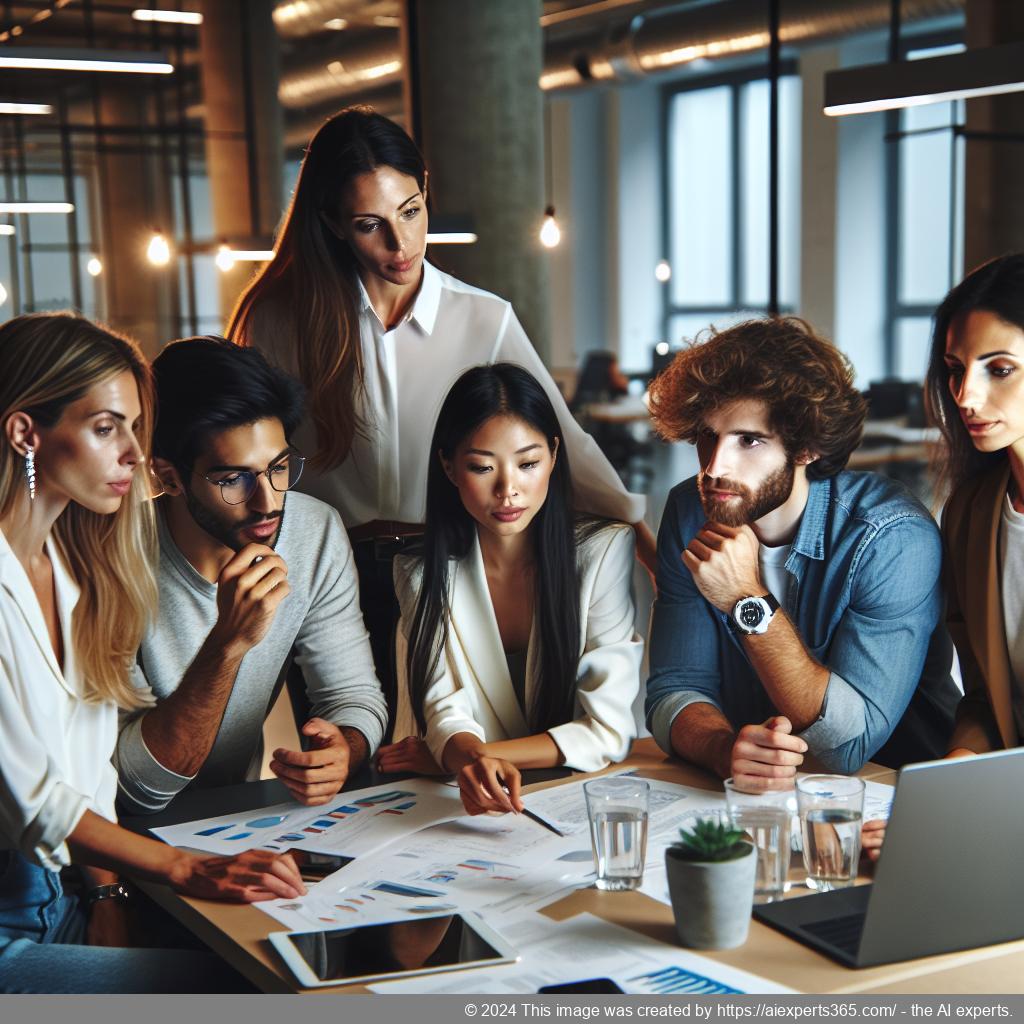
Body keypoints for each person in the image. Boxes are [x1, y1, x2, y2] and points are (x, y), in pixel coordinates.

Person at [227, 106, 654, 726]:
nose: (400, 245)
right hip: (324, 573)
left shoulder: (483, 318)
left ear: (425, 191)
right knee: (342, 758)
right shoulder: (279, 321)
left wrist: (637, 529)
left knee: (439, 750)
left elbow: (561, 438)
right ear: (332, 223)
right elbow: (239, 452)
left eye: (410, 212)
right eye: (370, 224)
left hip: (444, 568)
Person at [0, 313, 305, 993]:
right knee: (244, 992)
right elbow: (40, 805)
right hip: (9, 919)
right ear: (26, 432)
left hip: (68, 896)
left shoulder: (70, 562)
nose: (134, 455)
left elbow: (89, 773)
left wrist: (110, 897)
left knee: (291, 959)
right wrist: (181, 868)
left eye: (136, 428)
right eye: (107, 428)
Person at [644, 317, 958, 795]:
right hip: (761, 799)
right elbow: (674, 690)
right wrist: (724, 749)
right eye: (708, 436)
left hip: (899, 793)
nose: (714, 467)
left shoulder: (892, 538)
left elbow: (842, 749)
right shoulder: (691, 511)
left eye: (749, 440)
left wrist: (746, 598)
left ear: (806, 447)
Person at [115, 338, 388, 815]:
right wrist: (228, 642)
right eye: (232, 479)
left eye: (278, 467)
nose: (268, 502)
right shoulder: (110, 560)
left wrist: (343, 749)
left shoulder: (314, 530)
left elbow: (353, 696)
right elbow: (138, 787)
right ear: (170, 477)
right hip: (116, 841)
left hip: (233, 818)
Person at [376, 364, 642, 814]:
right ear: (449, 466)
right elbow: (443, 712)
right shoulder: (419, 574)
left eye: (528, 464)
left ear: (554, 455)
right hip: (462, 805)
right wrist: (458, 751)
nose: (508, 490)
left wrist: (465, 756)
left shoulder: (602, 553)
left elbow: (608, 730)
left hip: (570, 796)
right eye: (482, 467)